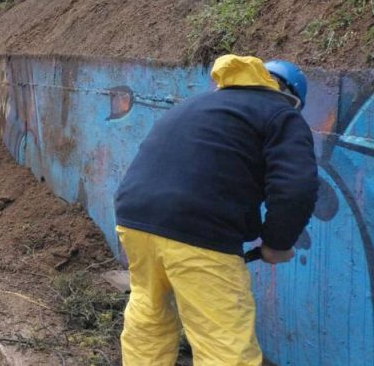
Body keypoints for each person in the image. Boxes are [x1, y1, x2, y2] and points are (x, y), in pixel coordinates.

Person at [114, 54, 318, 366]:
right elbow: (296, 187)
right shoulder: (281, 114)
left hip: (134, 217)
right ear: (290, 97)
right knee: (223, 341)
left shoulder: (197, 105)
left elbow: (216, 171)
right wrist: (277, 243)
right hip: (199, 229)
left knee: (149, 312)